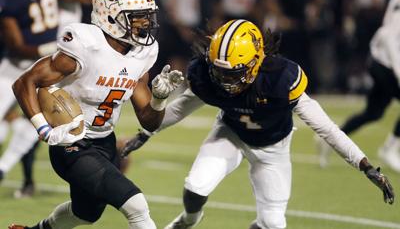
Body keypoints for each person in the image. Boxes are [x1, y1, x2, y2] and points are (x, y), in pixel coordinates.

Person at [121, 19, 394, 229]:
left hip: (273, 149)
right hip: (231, 134)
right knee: (196, 186)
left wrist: (365, 165)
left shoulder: (279, 80)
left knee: (273, 223)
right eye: (220, 71)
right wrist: (145, 133)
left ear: (255, 61)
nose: (225, 80)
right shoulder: (206, 75)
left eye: (233, 73)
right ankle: (189, 219)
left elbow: (327, 129)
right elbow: (181, 108)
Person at [9, 0, 184, 229]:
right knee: (136, 205)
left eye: (146, 16)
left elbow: (149, 120)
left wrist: (159, 98)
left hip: (105, 142)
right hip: (71, 144)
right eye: (137, 17)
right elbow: (25, 83)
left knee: (85, 214)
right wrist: (44, 130)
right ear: (111, 17)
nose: (145, 24)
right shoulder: (85, 44)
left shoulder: (142, 53)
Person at [317, 0, 400, 172]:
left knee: (373, 113)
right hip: (384, 61)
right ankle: (389, 149)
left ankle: (331, 139)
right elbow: (389, 37)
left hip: (385, 60)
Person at [0, 0, 59, 197]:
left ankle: (4, 168)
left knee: (36, 122)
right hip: (16, 66)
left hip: (43, 68)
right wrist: (50, 48)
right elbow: (15, 46)